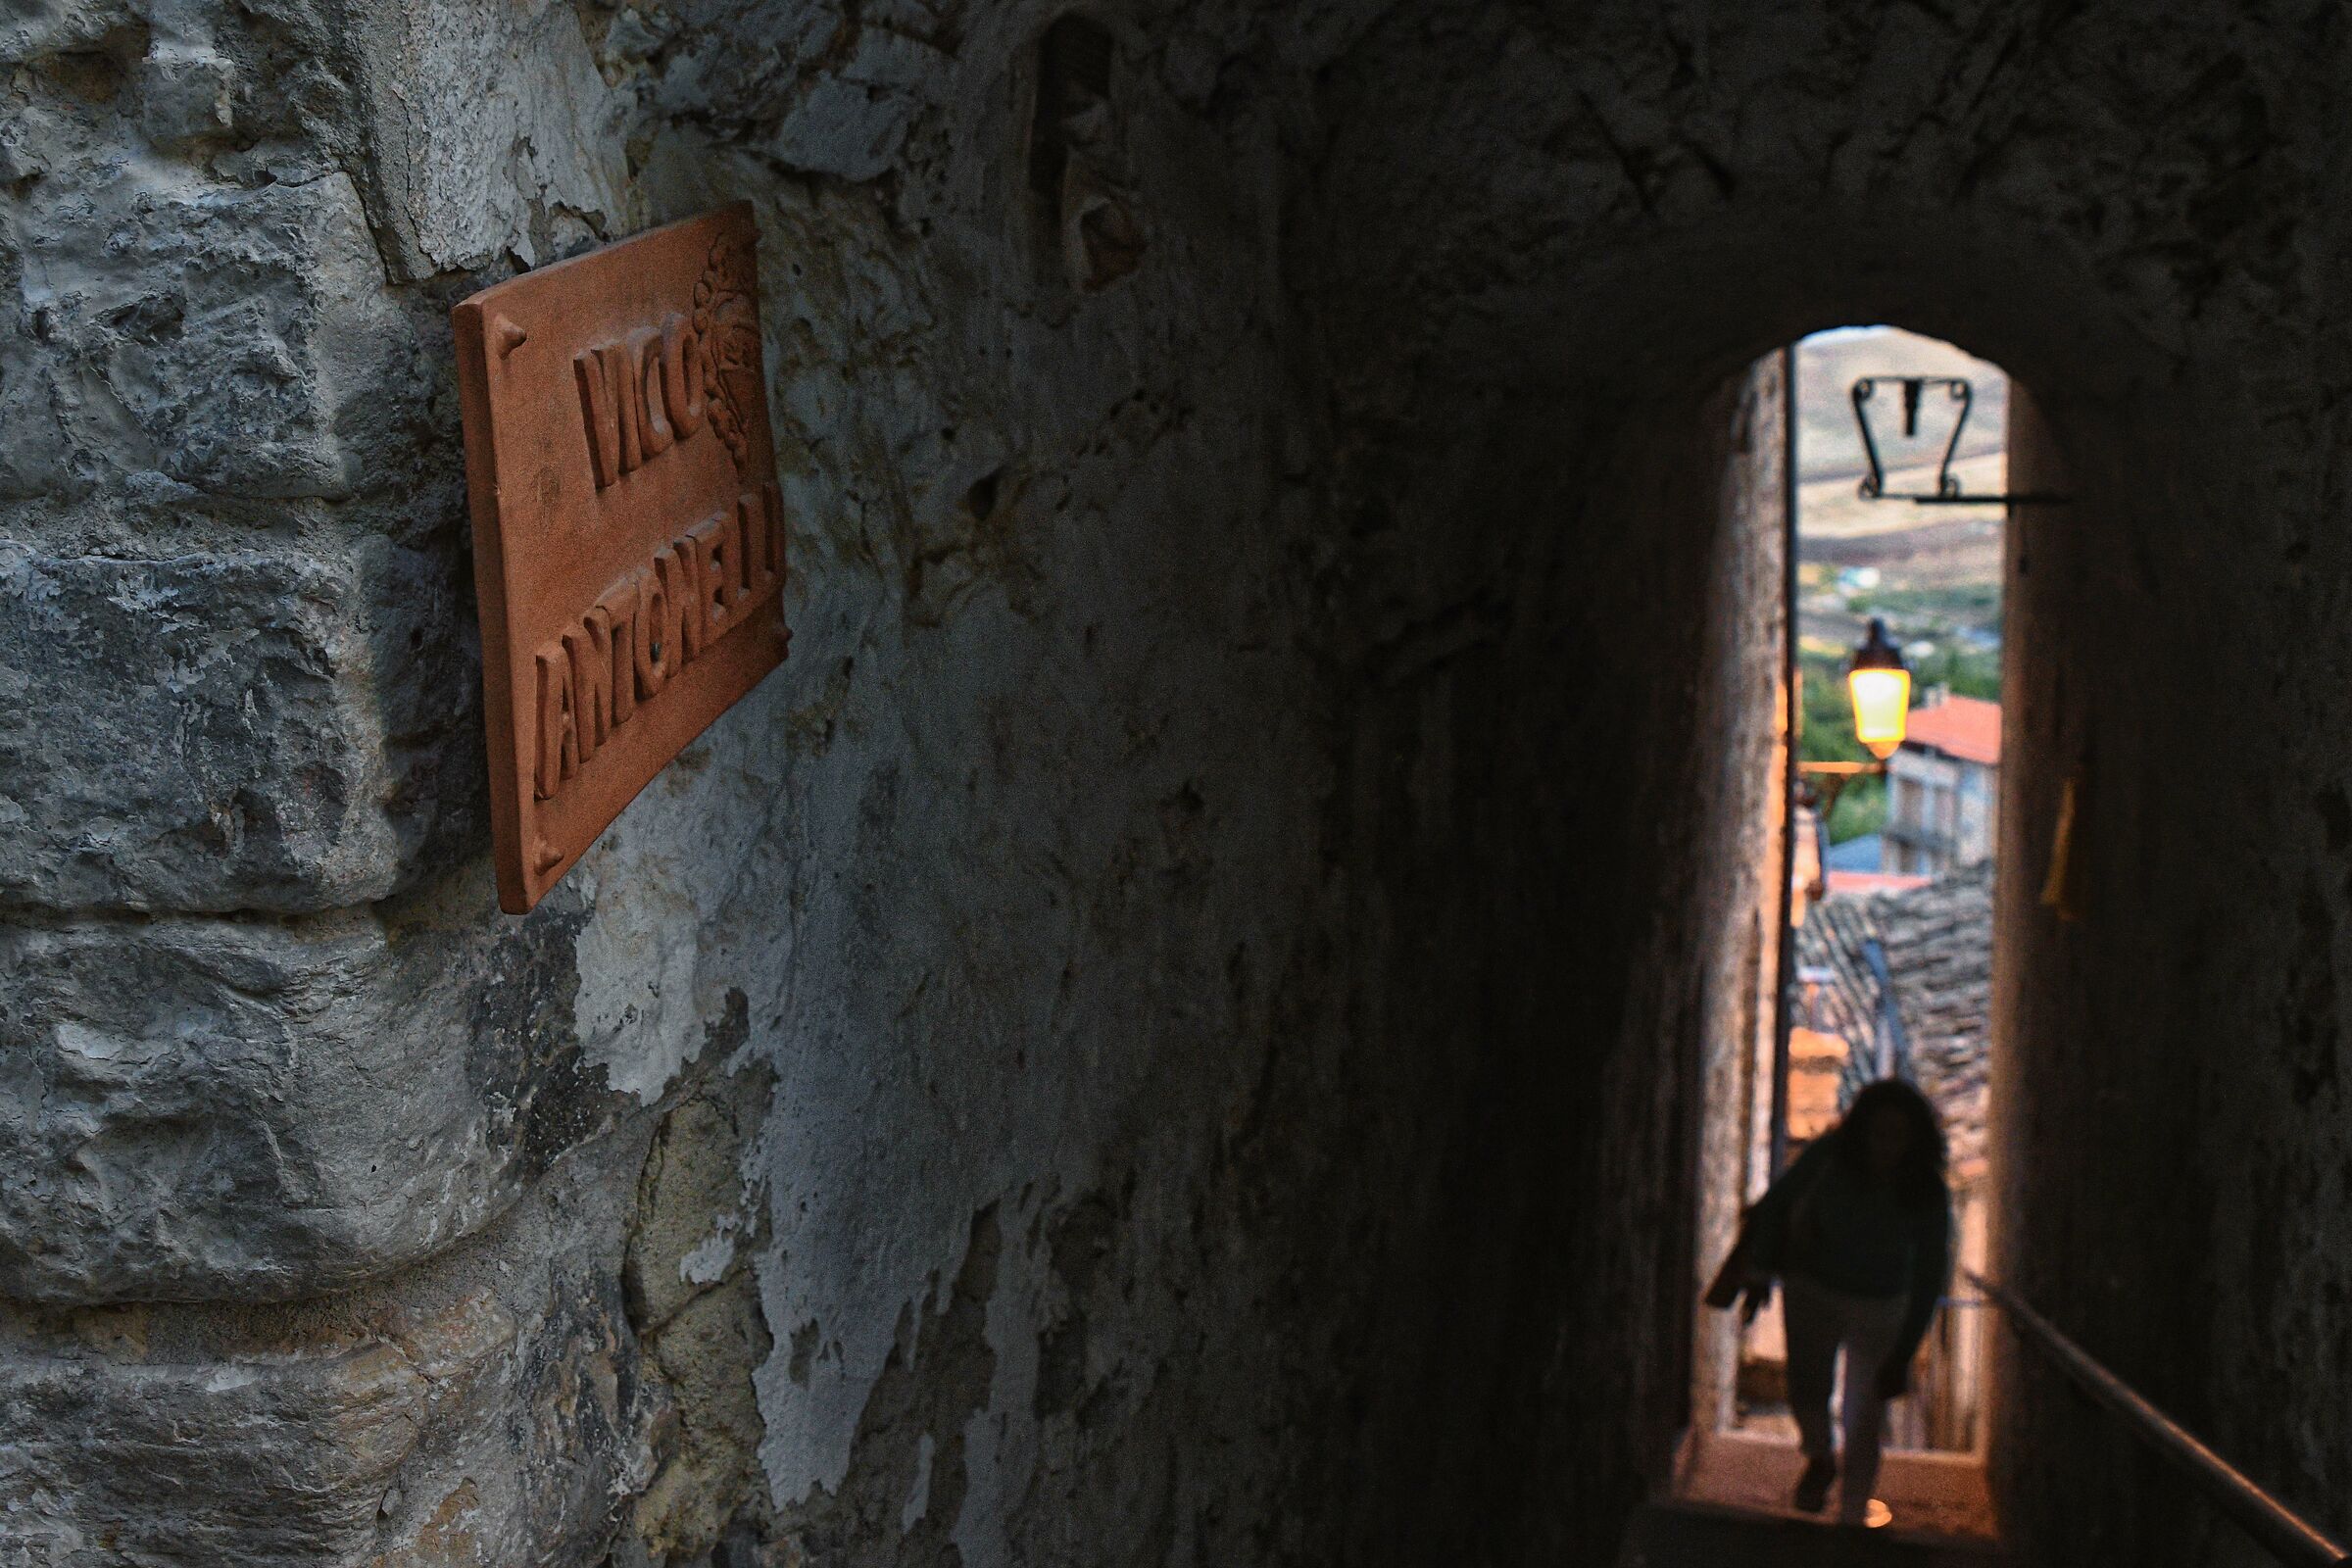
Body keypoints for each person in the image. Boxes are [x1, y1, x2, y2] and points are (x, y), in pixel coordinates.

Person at [1706, 1079, 1952, 1526]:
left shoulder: (1928, 1193)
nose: (1886, 1146)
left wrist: (1904, 1350)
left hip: (1882, 1307)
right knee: (1807, 1388)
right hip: (1814, 1291)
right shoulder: (1831, 1157)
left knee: (1865, 1413)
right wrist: (1759, 1271)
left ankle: (1853, 1513)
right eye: (1879, 1133)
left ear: (1915, 1140)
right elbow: (1777, 1204)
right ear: (1862, 1131)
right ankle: (1819, 1455)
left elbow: (1930, 1274)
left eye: (1898, 1136)